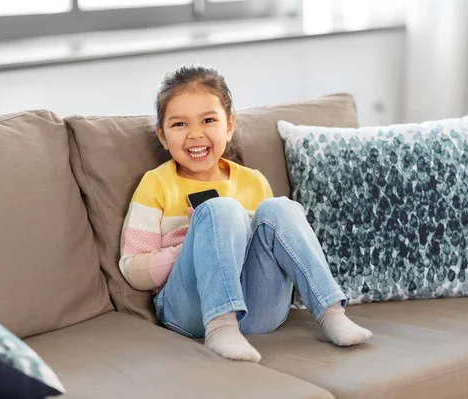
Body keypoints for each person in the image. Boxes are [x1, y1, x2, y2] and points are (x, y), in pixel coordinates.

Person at [119, 64, 372, 363]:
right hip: (191, 312)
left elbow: (270, 250)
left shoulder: (253, 181)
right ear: (162, 135)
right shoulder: (156, 184)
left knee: (279, 207)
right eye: (179, 125)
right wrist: (194, 243)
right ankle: (220, 327)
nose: (195, 134)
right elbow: (132, 269)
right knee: (220, 210)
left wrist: (242, 234)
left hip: (258, 310)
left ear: (228, 125)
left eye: (209, 120)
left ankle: (331, 312)